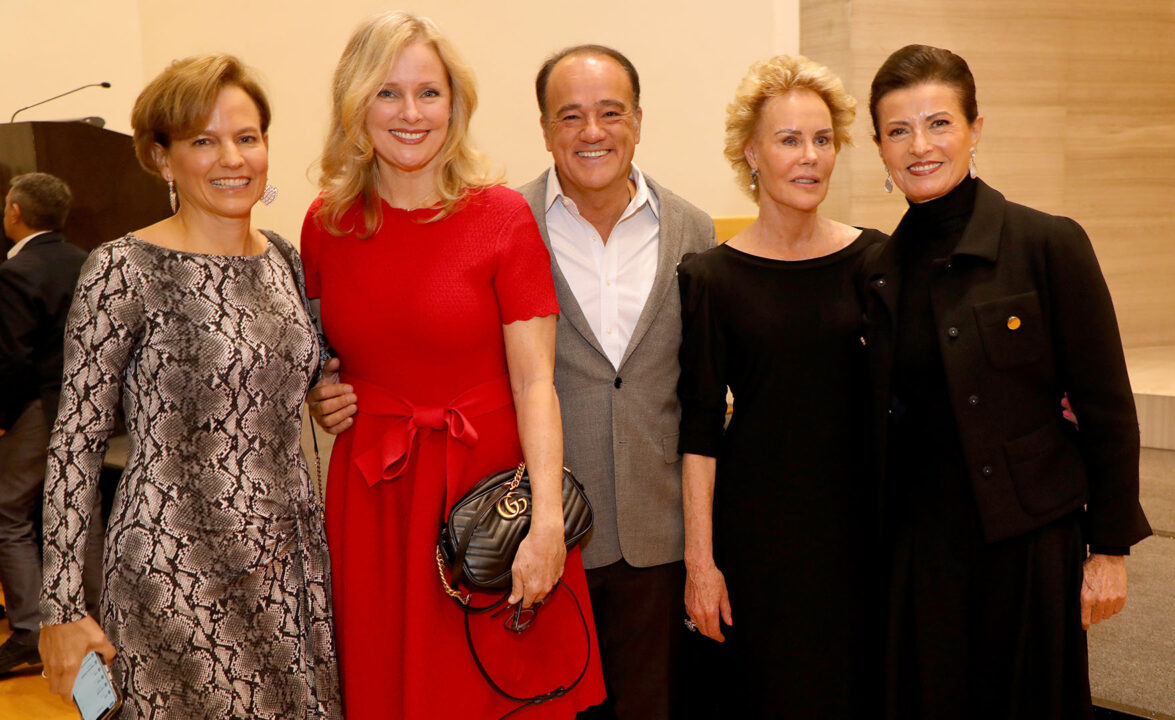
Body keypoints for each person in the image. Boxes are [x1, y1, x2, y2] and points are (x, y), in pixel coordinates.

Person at [299, 12, 603, 719]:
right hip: (377, 500)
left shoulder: (500, 217)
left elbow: (536, 383)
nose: (411, 114)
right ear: (355, 105)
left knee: (503, 694)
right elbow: (319, 355)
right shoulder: (325, 224)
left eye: (429, 93)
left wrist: (548, 523)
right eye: (388, 93)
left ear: (455, 104)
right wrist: (325, 391)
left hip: (492, 501)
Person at [38, 55, 341, 719]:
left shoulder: (285, 257)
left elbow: (295, 375)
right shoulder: (122, 269)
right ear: (161, 157)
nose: (232, 157)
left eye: (247, 136)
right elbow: (73, 446)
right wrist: (59, 608)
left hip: (287, 569)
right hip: (172, 572)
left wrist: (330, 390)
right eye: (203, 140)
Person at [863, 44, 1151, 719]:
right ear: (878, 147)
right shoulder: (876, 269)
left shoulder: (1048, 244)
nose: (919, 146)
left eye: (939, 123)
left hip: (1028, 548)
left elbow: (1108, 408)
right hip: (920, 550)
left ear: (975, 128)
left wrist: (1108, 549)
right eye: (898, 130)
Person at [676, 55, 888, 717]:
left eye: (822, 139)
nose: (809, 157)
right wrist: (700, 563)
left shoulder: (877, 260)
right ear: (751, 153)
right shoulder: (711, 277)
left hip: (862, 532)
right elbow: (700, 429)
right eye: (789, 139)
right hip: (757, 538)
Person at [519, 45, 715, 720]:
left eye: (610, 112)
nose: (592, 132)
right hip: (546, 535)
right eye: (570, 116)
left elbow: (701, 392)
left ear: (638, 119)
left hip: (656, 530)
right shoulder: (505, 225)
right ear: (545, 130)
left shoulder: (694, 230)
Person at [0, 172, 99, 675]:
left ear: (15, 212)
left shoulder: (18, 271)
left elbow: (11, 357)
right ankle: (101, 619)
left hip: (39, 406)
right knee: (84, 511)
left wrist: (3, 418)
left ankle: (28, 631)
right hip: (90, 405)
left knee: (7, 515)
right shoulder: (88, 261)